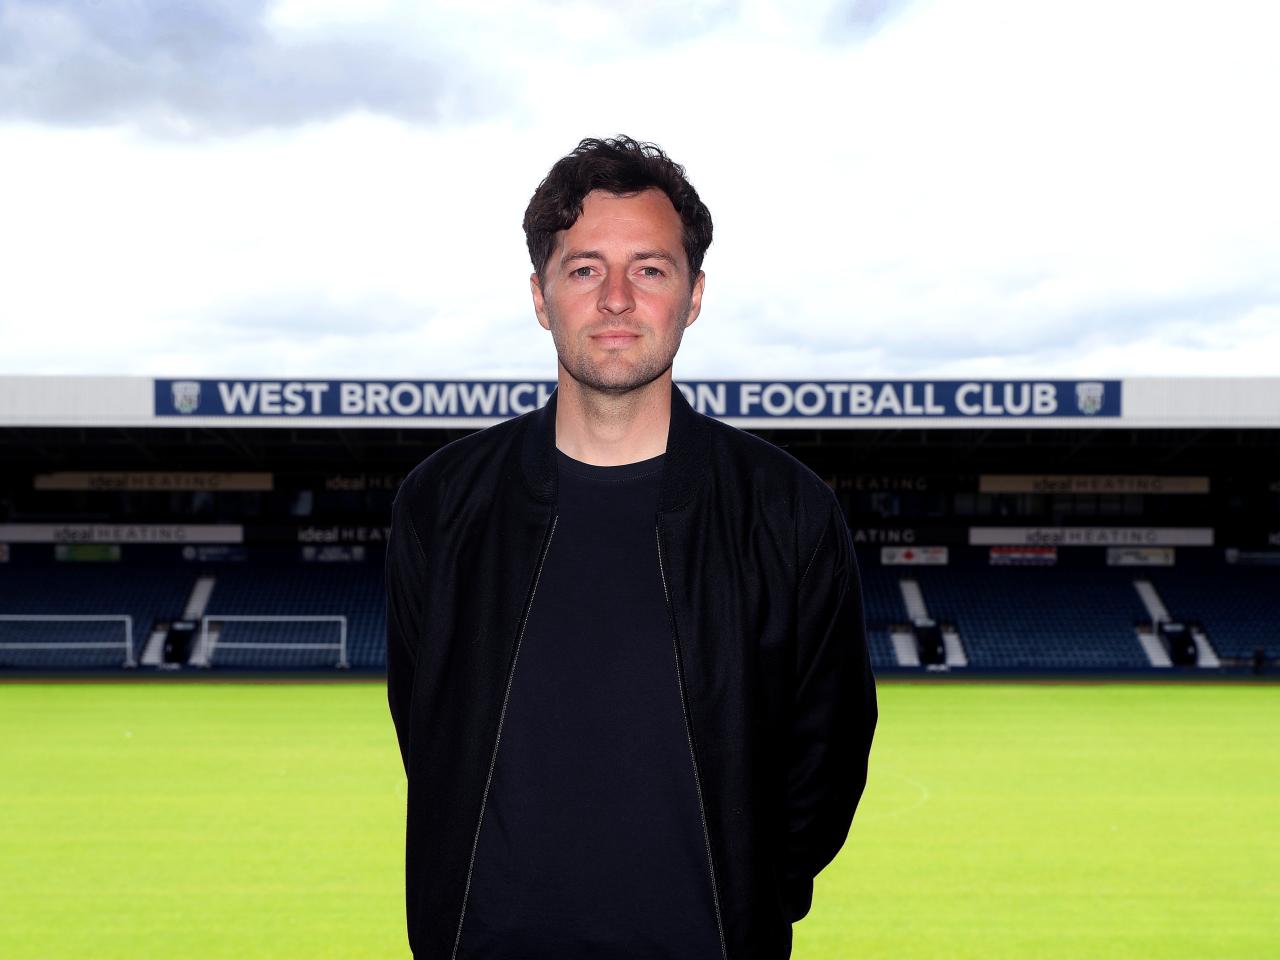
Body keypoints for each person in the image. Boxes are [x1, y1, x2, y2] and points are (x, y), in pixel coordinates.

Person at [386, 135, 877, 960]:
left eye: (649, 269)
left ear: (693, 296)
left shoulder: (787, 508)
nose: (616, 297)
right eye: (584, 269)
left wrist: (762, 900)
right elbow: (427, 730)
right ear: (541, 296)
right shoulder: (441, 504)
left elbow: (827, 753)